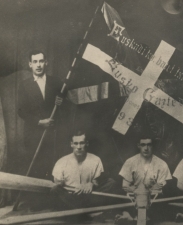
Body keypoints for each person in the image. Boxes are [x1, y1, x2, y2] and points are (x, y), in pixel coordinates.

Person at [18, 50, 63, 180]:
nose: (38, 65)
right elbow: (21, 111)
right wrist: (39, 122)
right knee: (36, 168)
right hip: (33, 134)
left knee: (53, 167)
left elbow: (67, 106)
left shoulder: (56, 82)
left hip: (54, 133)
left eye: (41, 61)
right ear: (30, 64)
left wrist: (62, 102)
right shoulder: (24, 85)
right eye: (35, 62)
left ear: (46, 63)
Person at [51, 130, 116, 210]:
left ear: (87, 144)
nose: (79, 147)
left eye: (82, 143)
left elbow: (96, 181)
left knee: (111, 182)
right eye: (76, 143)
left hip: (89, 196)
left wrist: (91, 184)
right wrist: (64, 184)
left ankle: (78, 212)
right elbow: (57, 184)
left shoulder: (96, 159)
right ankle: (84, 212)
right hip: (70, 197)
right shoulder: (62, 161)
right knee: (55, 190)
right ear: (71, 144)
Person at [115, 135, 172, 224]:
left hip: (152, 200)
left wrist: (145, 191)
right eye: (143, 145)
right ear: (138, 145)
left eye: (149, 145)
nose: (146, 148)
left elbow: (160, 189)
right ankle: (128, 214)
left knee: (166, 195)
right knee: (118, 191)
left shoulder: (161, 164)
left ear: (152, 146)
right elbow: (125, 186)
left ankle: (133, 217)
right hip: (133, 198)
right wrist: (137, 190)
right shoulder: (130, 162)